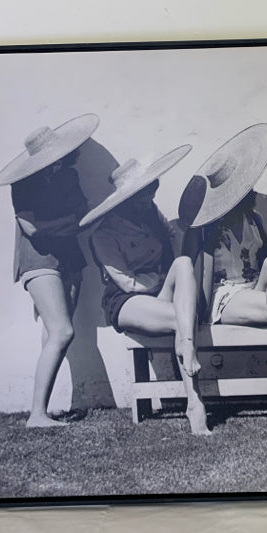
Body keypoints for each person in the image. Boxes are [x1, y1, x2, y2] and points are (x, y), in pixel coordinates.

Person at [178, 124, 267, 427]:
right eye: (246, 188)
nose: (253, 191)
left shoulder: (254, 219)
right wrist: (200, 316)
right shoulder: (203, 228)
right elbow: (190, 279)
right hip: (224, 298)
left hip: (252, 290)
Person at [81, 145, 212, 436]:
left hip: (158, 293)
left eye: (150, 192)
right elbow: (128, 283)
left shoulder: (152, 214)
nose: (149, 199)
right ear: (125, 200)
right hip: (127, 301)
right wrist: (162, 280)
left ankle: (187, 345)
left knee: (182, 263)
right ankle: (195, 403)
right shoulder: (104, 235)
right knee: (181, 317)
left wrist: (177, 280)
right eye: (142, 196)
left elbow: (174, 246)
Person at [0, 114, 100, 428]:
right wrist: (64, 226)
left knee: (52, 333)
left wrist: (58, 227)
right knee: (63, 331)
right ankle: (36, 416)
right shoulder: (23, 183)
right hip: (38, 259)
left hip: (69, 257)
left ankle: (41, 410)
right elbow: (30, 229)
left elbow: (82, 213)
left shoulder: (69, 175)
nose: (58, 162)